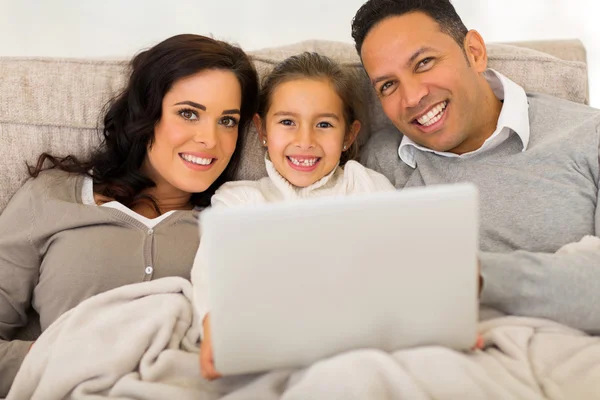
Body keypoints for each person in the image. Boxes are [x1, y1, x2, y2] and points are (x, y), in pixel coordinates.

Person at [0, 33, 259, 395]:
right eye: (188, 113)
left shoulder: (236, 225)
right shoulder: (51, 199)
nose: (210, 140)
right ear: (147, 113)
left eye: (227, 121)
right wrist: (60, 358)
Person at [351, 0, 600, 332]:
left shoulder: (589, 136)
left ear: (475, 52)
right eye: (388, 85)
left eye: (424, 62)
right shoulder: (377, 163)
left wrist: (476, 275)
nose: (411, 98)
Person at [191, 52, 395, 380]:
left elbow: (401, 261)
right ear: (262, 130)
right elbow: (213, 272)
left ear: (348, 136)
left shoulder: (364, 186)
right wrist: (214, 320)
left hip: (356, 341)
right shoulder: (240, 201)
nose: (305, 141)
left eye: (324, 124)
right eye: (287, 122)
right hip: (274, 338)